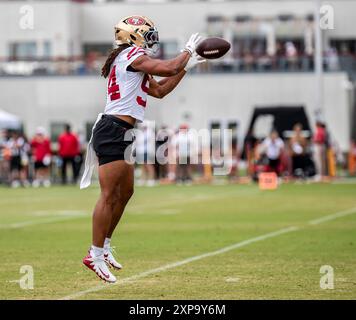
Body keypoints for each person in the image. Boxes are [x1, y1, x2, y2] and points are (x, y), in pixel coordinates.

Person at [80, 15, 205, 282]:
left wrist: (187, 66)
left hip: (123, 131)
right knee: (108, 194)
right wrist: (187, 52)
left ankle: (104, 245)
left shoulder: (132, 60)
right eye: (147, 35)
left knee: (125, 192)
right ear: (133, 36)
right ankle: (95, 254)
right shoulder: (132, 55)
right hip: (113, 129)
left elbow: (160, 91)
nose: (151, 41)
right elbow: (168, 68)